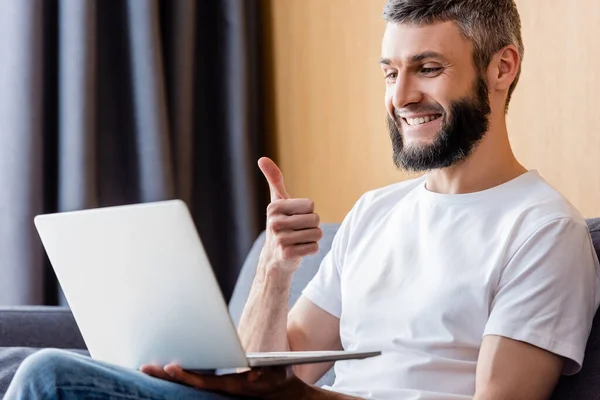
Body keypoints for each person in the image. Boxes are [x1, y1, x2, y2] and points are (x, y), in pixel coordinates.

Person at [5, 0, 600, 399]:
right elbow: (276, 364)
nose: (402, 96)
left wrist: (301, 397)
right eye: (391, 73)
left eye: (429, 68)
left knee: (49, 377)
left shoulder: (542, 231)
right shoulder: (376, 212)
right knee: (32, 368)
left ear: (503, 67)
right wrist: (274, 268)